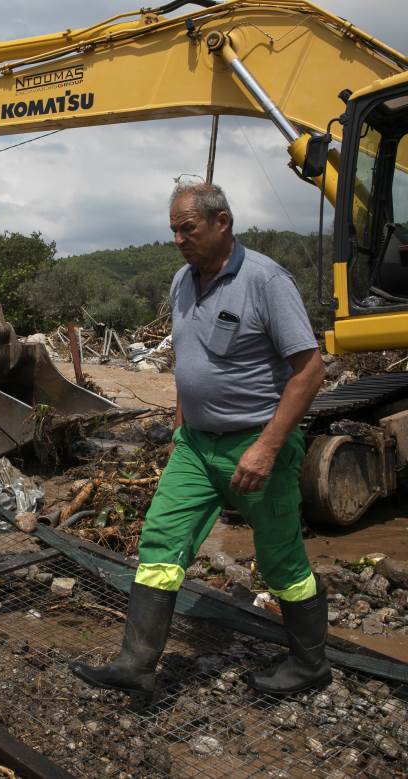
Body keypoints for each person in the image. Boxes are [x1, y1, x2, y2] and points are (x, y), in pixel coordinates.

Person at [70, 182, 328, 699]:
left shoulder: (265, 281)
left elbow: (309, 369)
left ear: (222, 222)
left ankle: (310, 666)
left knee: (280, 562)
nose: (178, 239)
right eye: (173, 230)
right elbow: (190, 361)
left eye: (187, 228)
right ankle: (135, 663)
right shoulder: (181, 282)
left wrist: (268, 446)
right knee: (161, 542)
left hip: (255, 442)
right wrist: (184, 423)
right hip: (195, 445)